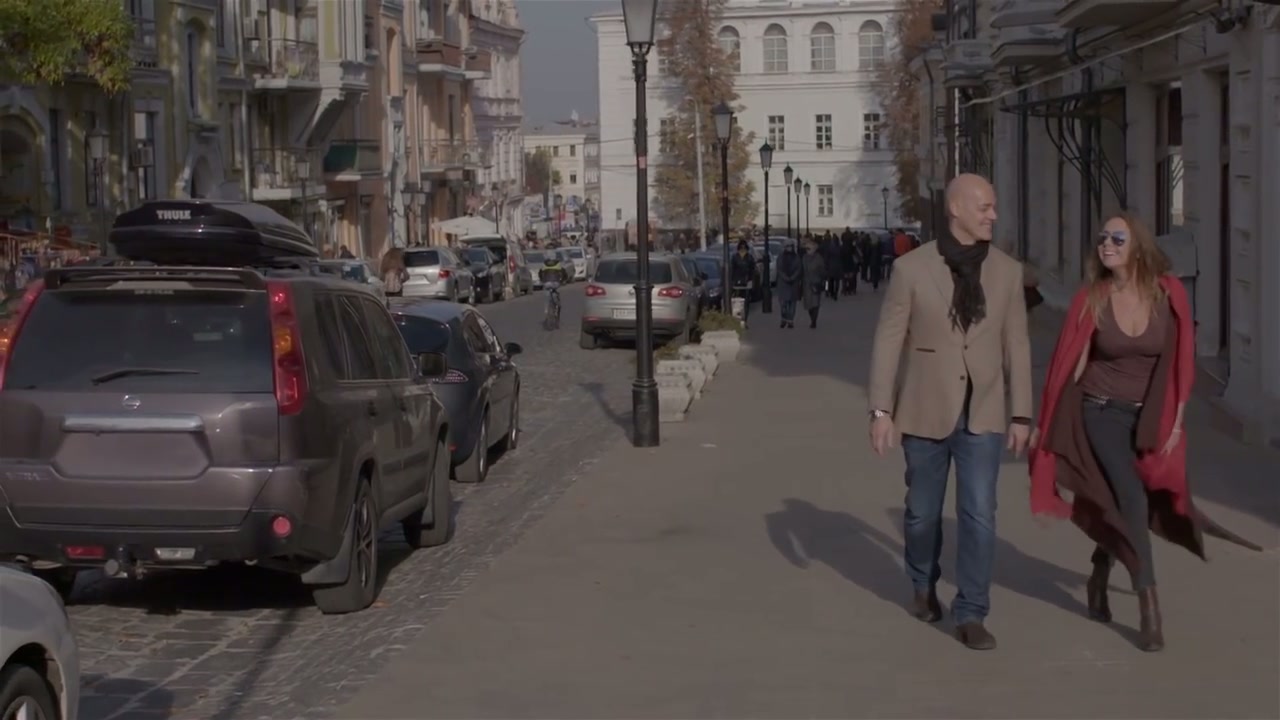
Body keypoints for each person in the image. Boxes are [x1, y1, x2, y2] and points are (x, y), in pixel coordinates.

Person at [1028, 212, 1259, 652]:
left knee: (1136, 499)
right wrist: (1048, 420)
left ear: (1138, 247)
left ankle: (1101, 568)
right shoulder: (1092, 299)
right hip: (1099, 411)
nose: (1107, 244)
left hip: (1149, 416)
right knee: (1131, 497)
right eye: (1102, 238)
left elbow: (1181, 361)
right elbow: (1071, 363)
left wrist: (1176, 422)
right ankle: (1149, 604)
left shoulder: (1167, 293)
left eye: (1117, 238)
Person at [867, 173, 1032, 651]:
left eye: (994, 207)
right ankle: (923, 582)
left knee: (979, 513)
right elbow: (888, 339)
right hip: (923, 408)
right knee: (921, 514)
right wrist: (880, 410)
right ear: (956, 208)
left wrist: (1022, 414)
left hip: (983, 410)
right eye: (985, 207)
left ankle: (972, 612)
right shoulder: (912, 269)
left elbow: (1018, 345)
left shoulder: (1007, 271)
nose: (993, 215)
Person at [729, 240, 757, 327]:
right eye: (741, 247)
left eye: (744, 247)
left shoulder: (749, 258)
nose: (743, 249)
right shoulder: (735, 257)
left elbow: (753, 271)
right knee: (737, 302)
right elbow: (732, 270)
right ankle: (738, 320)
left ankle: (744, 320)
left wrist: (751, 281)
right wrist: (732, 282)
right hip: (736, 284)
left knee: (746, 303)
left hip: (747, 283)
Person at [800, 237, 826, 329]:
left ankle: (814, 321)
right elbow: (802, 270)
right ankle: (812, 317)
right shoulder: (804, 258)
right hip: (806, 283)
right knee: (808, 304)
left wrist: (822, 281)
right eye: (806, 249)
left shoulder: (819, 258)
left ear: (814, 249)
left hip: (816, 283)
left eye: (809, 248)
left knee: (815, 303)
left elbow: (823, 271)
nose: (807, 250)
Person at [776, 242, 802, 328]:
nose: (789, 248)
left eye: (791, 246)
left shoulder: (796, 257)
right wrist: (786, 278)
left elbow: (799, 269)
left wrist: (793, 277)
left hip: (793, 283)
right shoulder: (781, 257)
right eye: (787, 246)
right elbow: (779, 269)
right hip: (783, 283)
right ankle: (784, 318)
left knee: (792, 303)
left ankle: (790, 320)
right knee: (783, 303)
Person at [539, 254, 564, 319]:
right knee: (557, 294)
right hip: (556, 283)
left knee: (547, 296)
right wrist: (562, 280)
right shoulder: (558, 264)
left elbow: (540, 273)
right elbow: (563, 273)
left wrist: (542, 280)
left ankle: (546, 310)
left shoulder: (544, 264)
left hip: (547, 283)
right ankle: (557, 307)